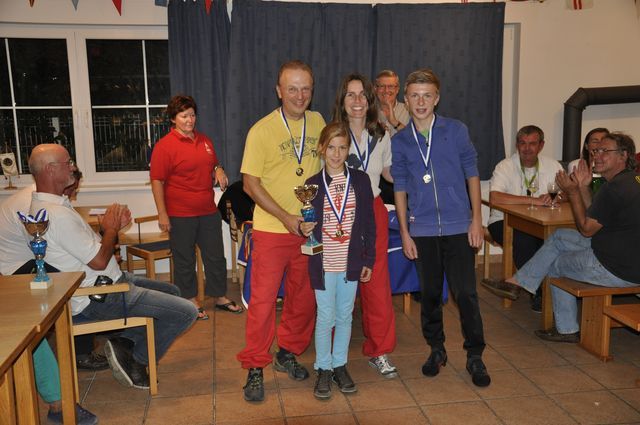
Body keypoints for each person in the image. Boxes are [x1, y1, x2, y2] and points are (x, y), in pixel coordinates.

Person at [27, 143, 198, 389]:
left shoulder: (51, 206)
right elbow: (98, 261)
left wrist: (106, 230)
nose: (73, 168)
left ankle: (123, 344)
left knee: (173, 292)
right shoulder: (56, 214)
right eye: (68, 163)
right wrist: (111, 229)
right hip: (100, 298)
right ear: (51, 169)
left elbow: (84, 252)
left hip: (108, 283)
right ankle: (137, 360)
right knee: (186, 312)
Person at [482, 132, 640, 342]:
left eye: (605, 151)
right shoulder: (632, 180)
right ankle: (517, 283)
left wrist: (573, 192)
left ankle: (567, 330)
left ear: (623, 155)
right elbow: (594, 214)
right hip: (625, 255)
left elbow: (586, 228)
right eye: (596, 150)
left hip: (618, 267)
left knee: (555, 264)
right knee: (560, 236)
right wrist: (582, 187)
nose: (597, 156)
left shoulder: (614, 188)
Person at [391, 69, 491, 387]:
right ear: (406, 100)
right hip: (421, 230)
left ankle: (475, 354)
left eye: (427, 95)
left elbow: (472, 173)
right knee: (430, 295)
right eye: (415, 96)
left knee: (466, 294)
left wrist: (476, 219)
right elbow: (400, 186)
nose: (421, 102)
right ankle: (437, 349)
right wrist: (405, 232)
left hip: (459, 226)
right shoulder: (400, 141)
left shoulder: (455, 130)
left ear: (437, 98)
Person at [237, 60, 325, 402]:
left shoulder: (318, 122)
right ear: (279, 91)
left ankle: (287, 352)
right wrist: (286, 217)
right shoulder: (261, 131)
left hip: (309, 231)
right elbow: (250, 184)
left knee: (303, 299)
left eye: (305, 89)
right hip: (272, 230)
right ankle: (255, 367)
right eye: (292, 89)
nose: (299, 96)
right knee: (262, 302)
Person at [150, 94, 242, 319]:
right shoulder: (164, 146)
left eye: (192, 115)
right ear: (173, 119)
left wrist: (218, 169)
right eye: (184, 116)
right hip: (180, 214)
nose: (189, 120)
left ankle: (219, 296)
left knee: (216, 257)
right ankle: (190, 300)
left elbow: (212, 163)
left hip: (208, 210)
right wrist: (162, 213)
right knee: (184, 260)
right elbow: (157, 181)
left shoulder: (205, 141)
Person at [331, 73, 398, 378]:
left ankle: (379, 350)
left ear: (370, 100)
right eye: (351, 95)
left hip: (372, 211)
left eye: (362, 95)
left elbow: (389, 173)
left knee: (376, 285)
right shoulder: (332, 134)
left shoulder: (381, 134)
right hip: (340, 212)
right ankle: (334, 353)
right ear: (342, 101)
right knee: (339, 284)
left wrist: (417, 174)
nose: (357, 101)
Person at [303, 122, 376, 399]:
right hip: (324, 263)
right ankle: (323, 367)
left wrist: (369, 258)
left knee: (345, 315)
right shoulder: (311, 185)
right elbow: (307, 224)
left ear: (348, 150)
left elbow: (369, 223)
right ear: (322, 148)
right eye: (331, 147)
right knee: (326, 316)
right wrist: (304, 227)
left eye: (342, 148)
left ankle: (339, 365)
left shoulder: (360, 181)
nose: (336, 154)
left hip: (350, 262)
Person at [487, 125, 563, 312]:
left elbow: (567, 192)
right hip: (503, 221)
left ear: (541, 145)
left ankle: (544, 289)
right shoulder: (505, 166)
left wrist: (557, 198)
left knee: (554, 238)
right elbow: (495, 198)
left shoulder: (553, 165)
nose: (527, 148)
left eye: (532, 144)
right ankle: (540, 292)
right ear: (517, 145)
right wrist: (534, 200)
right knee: (525, 239)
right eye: (523, 143)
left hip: (541, 221)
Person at [375, 70, 410, 136]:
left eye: (390, 86)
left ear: (397, 89)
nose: (386, 90)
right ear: (375, 89)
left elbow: (417, 139)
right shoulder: (368, 112)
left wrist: (394, 122)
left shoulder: (409, 110)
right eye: (382, 86)